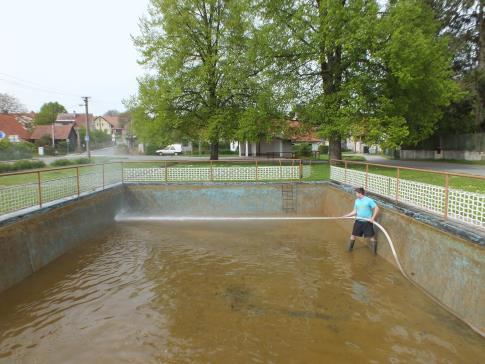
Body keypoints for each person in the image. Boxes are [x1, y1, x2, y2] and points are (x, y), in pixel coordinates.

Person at [342, 187, 379, 255]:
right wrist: (346, 216)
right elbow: (355, 211)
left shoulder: (369, 200)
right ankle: (349, 250)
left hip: (367, 222)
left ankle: (374, 254)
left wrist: (373, 218)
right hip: (358, 221)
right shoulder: (357, 201)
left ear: (360, 193)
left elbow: (376, 208)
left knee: (372, 237)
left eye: (356, 193)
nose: (355, 194)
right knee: (353, 235)